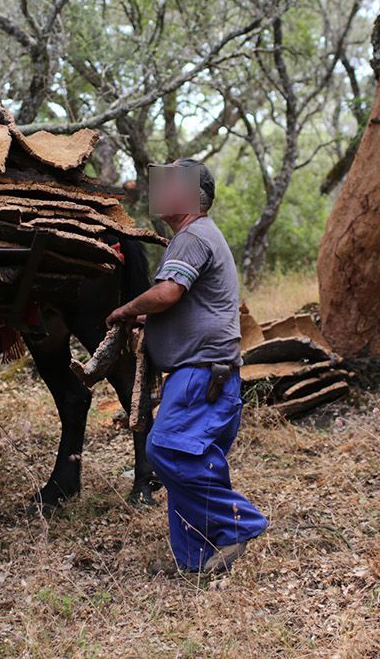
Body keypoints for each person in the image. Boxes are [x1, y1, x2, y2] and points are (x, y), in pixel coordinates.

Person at [106, 158, 268, 575]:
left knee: (166, 449)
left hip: (201, 373)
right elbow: (187, 303)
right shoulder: (197, 236)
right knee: (188, 466)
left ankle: (240, 523)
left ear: (193, 196)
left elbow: (168, 293)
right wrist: (148, 320)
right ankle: (197, 561)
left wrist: (126, 309)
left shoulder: (192, 236)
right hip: (208, 374)